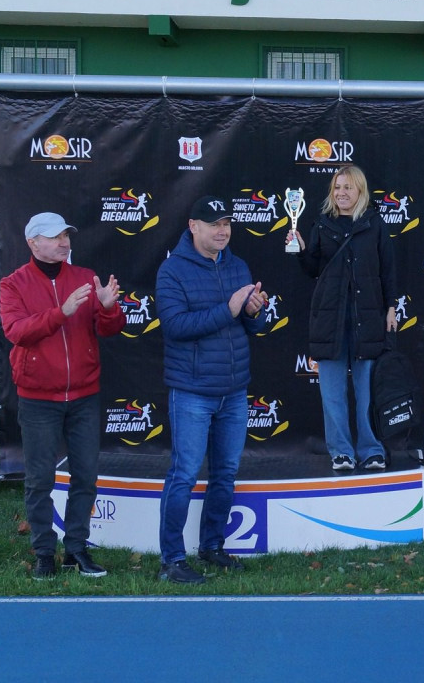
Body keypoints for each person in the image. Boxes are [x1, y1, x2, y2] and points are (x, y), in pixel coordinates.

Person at [0, 212, 125, 580]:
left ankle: (76, 549)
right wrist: (61, 312)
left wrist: (108, 307)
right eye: (55, 237)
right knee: (40, 479)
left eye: (66, 235)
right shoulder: (13, 284)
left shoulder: (85, 277)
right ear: (33, 242)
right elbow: (17, 331)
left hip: (84, 396)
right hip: (38, 399)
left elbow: (110, 329)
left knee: (85, 476)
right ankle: (43, 552)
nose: (64, 242)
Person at [155, 196, 269, 584]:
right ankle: (172, 560)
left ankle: (212, 546)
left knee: (225, 473)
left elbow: (252, 326)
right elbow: (176, 327)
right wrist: (231, 308)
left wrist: (254, 311)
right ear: (193, 226)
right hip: (192, 391)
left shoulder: (238, 266)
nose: (222, 231)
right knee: (184, 474)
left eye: (227, 224)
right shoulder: (172, 270)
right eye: (214, 224)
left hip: (234, 391)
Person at [288, 166, 398, 472]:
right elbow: (313, 269)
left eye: (348, 187)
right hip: (330, 320)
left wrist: (391, 307)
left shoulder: (375, 224)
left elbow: (388, 269)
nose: (341, 193)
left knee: (368, 393)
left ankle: (371, 450)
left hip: (367, 318)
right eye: (337, 187)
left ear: (360, 190)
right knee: (332, 394)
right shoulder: (322, 224)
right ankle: (341, 452)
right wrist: (301, 250)